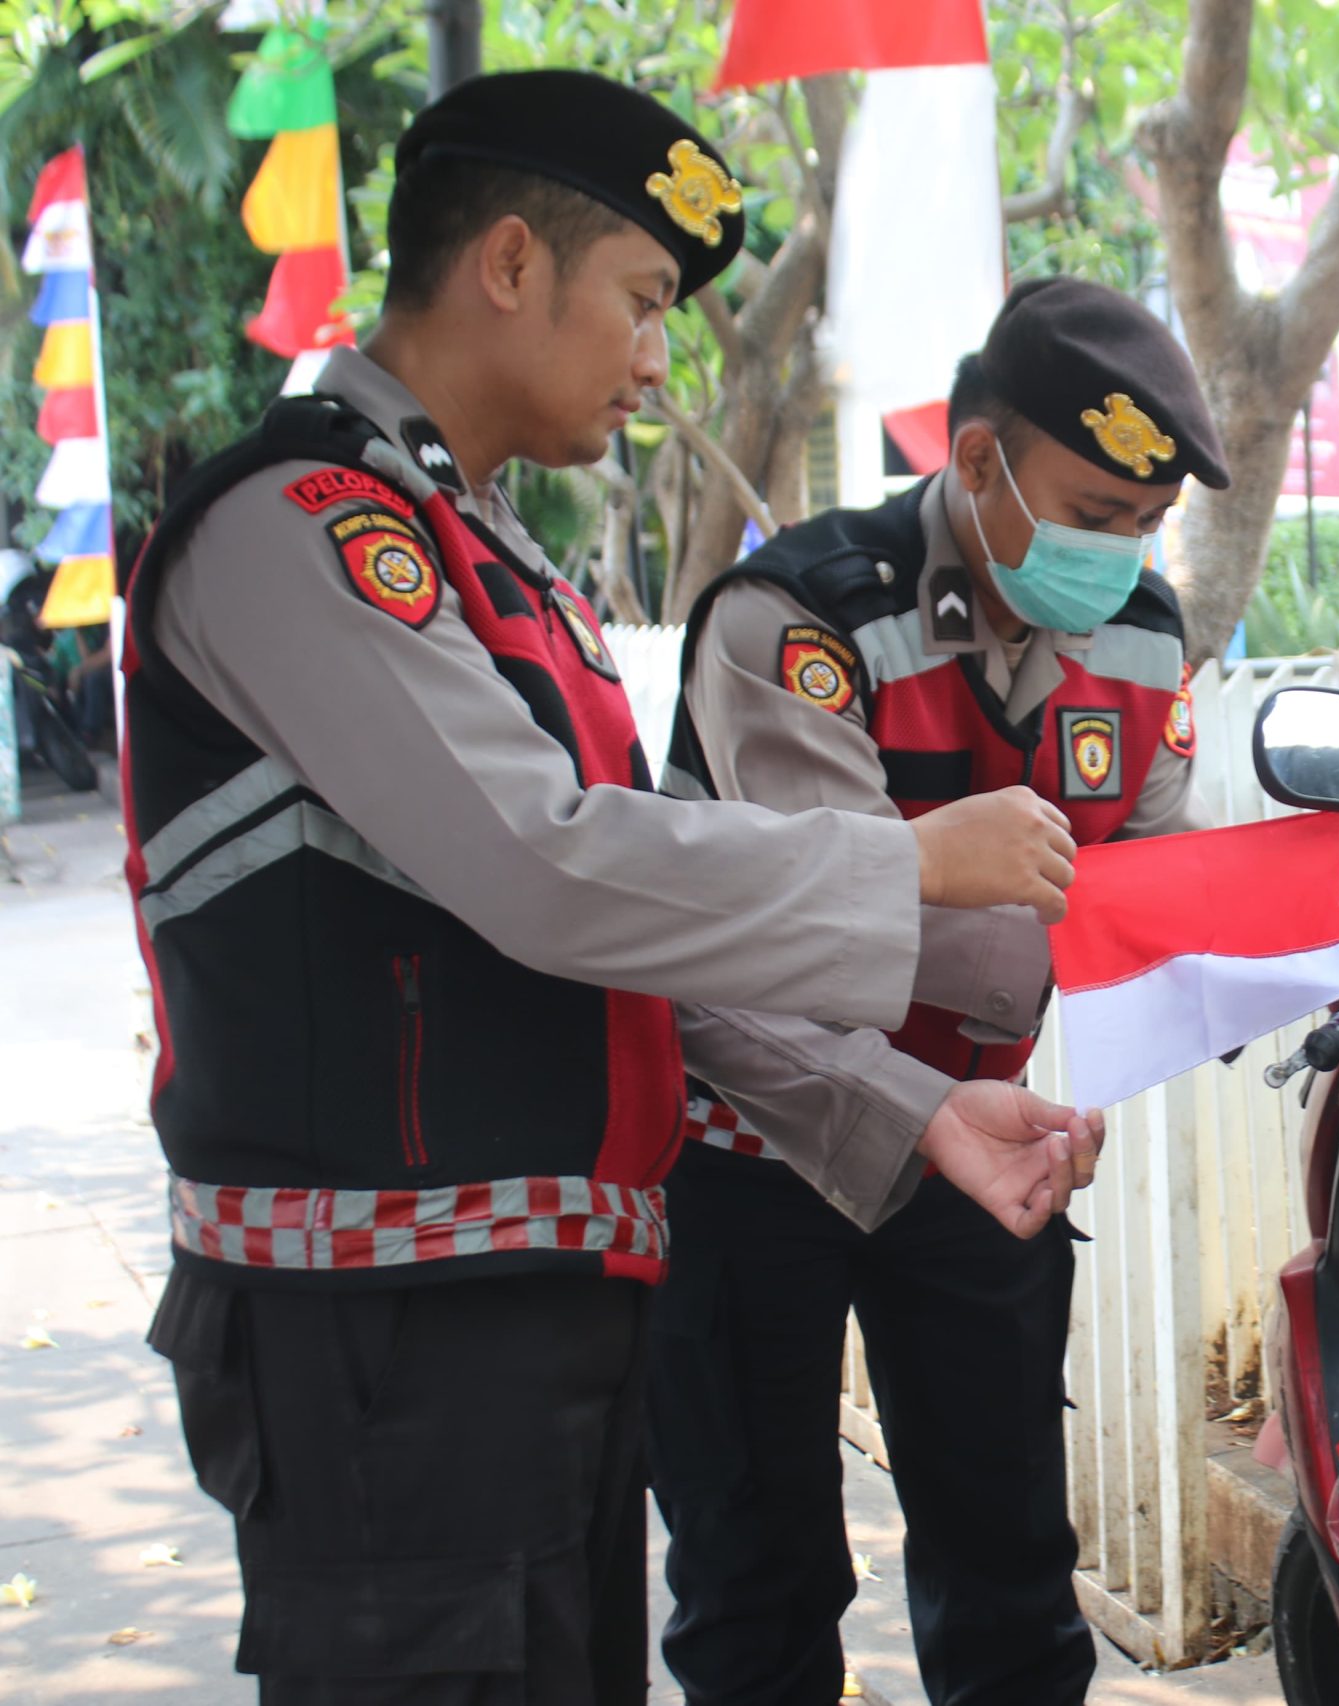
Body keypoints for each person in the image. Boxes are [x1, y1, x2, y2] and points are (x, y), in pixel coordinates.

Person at [120, 71, 1102, 1705]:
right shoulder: (300, 530)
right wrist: (907, 859)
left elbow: (652, 946)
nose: (659, 357)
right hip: (385, 1335)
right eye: (643, 300)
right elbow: (551, 868)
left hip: (536, 1320)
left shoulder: (496, 568)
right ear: (509, 265)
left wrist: (916, 1109)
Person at [648, 276, 1225, 1706]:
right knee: (757, 1585)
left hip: (972, 1146)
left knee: (1014, 1570)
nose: (1122, 551)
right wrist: (951, 882)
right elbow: (787, 942)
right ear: (975, 460)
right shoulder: (799, 616)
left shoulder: (1146, 639)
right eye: (1091, 509)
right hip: (745, 1143)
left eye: (1147, 522)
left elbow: (1141, 894)